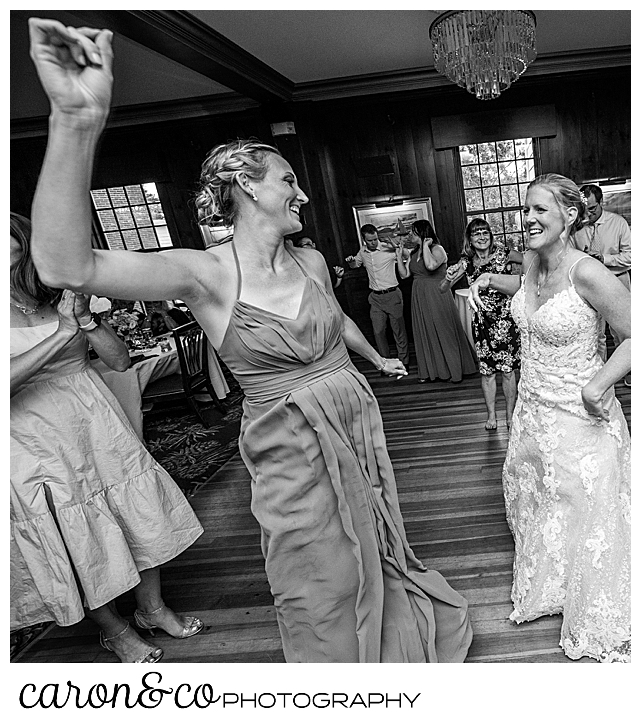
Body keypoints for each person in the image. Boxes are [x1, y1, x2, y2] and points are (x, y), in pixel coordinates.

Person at [25, 18, 472, 663]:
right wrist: (75, 120)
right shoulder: (201, 275)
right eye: (288, 179)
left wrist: (375, 359)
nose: (301, 191)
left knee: (371, 538)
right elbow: (65, 266)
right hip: (284, 433)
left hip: (352, 412)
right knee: (313, 564)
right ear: (246, 187)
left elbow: (338, 325)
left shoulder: (311, 262)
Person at [468, 174, 631, 663]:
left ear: (569, 216)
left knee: (584, 498)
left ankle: (595, 588)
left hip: (580, 410)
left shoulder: (590, 272)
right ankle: (555, 577)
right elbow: (528, 294)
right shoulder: (531, 262)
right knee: (546, 493)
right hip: (532, 406)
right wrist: (492, 279)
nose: (527, 219)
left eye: (539, 210)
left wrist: (599, 385)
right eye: (524, 210)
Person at [10, 212, 204, 664]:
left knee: (133, 513)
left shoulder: (57, 294)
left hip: (95, 420)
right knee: (70, 531)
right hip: (31, 436)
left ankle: (152, 609)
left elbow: (119, 361)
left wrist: (86, 321)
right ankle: (115, 631)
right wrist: (62, 333)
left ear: (23, 241)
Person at [446, 218, 521, 430]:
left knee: (507, 371)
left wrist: (519, 280)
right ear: (469, 239)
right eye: (476, 233)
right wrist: (448, 275)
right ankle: (491, 417)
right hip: (482, 323)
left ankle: (509, 415)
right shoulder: (466, 262)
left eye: (485, 232)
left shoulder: (503, 253)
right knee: (487, 372)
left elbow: (529, 261)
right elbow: (444, 287)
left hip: (506, 321)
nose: (481, 236)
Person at [574, 183, 631, 387]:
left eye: (592, 209)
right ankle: (600, 375)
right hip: (590, 285)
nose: (588, 214)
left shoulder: (618, 223)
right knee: (596, 332)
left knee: (620, 330)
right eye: (584, 210)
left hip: (617, 281)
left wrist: (604, 258)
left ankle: (626, 369)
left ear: (601, 202)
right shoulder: (576, 228)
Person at [404, 219, 477, 383]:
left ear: (422, 234)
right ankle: (433, 370)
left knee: (444, 330)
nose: (410, 235)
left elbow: (430, 266)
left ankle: (455, 369)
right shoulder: (413, 253)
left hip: (437, 293)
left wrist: (425, 246)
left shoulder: (438, 249)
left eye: (413, 232)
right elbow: (405, 274)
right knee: (426, 330)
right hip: (419, 295)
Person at [345, 224, 408, 370]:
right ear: (364, 239)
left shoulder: (387, 247)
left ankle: (403, 362)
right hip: (375, 297)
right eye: (370, 240)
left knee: (398, 331)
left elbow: (406, 255)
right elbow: (356, 264)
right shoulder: (363, 251)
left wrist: (398, 248)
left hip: (392, 295)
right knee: (378, 331)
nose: (373, 242)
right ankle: (385, 363)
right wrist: (351, 262)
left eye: (375, 239)